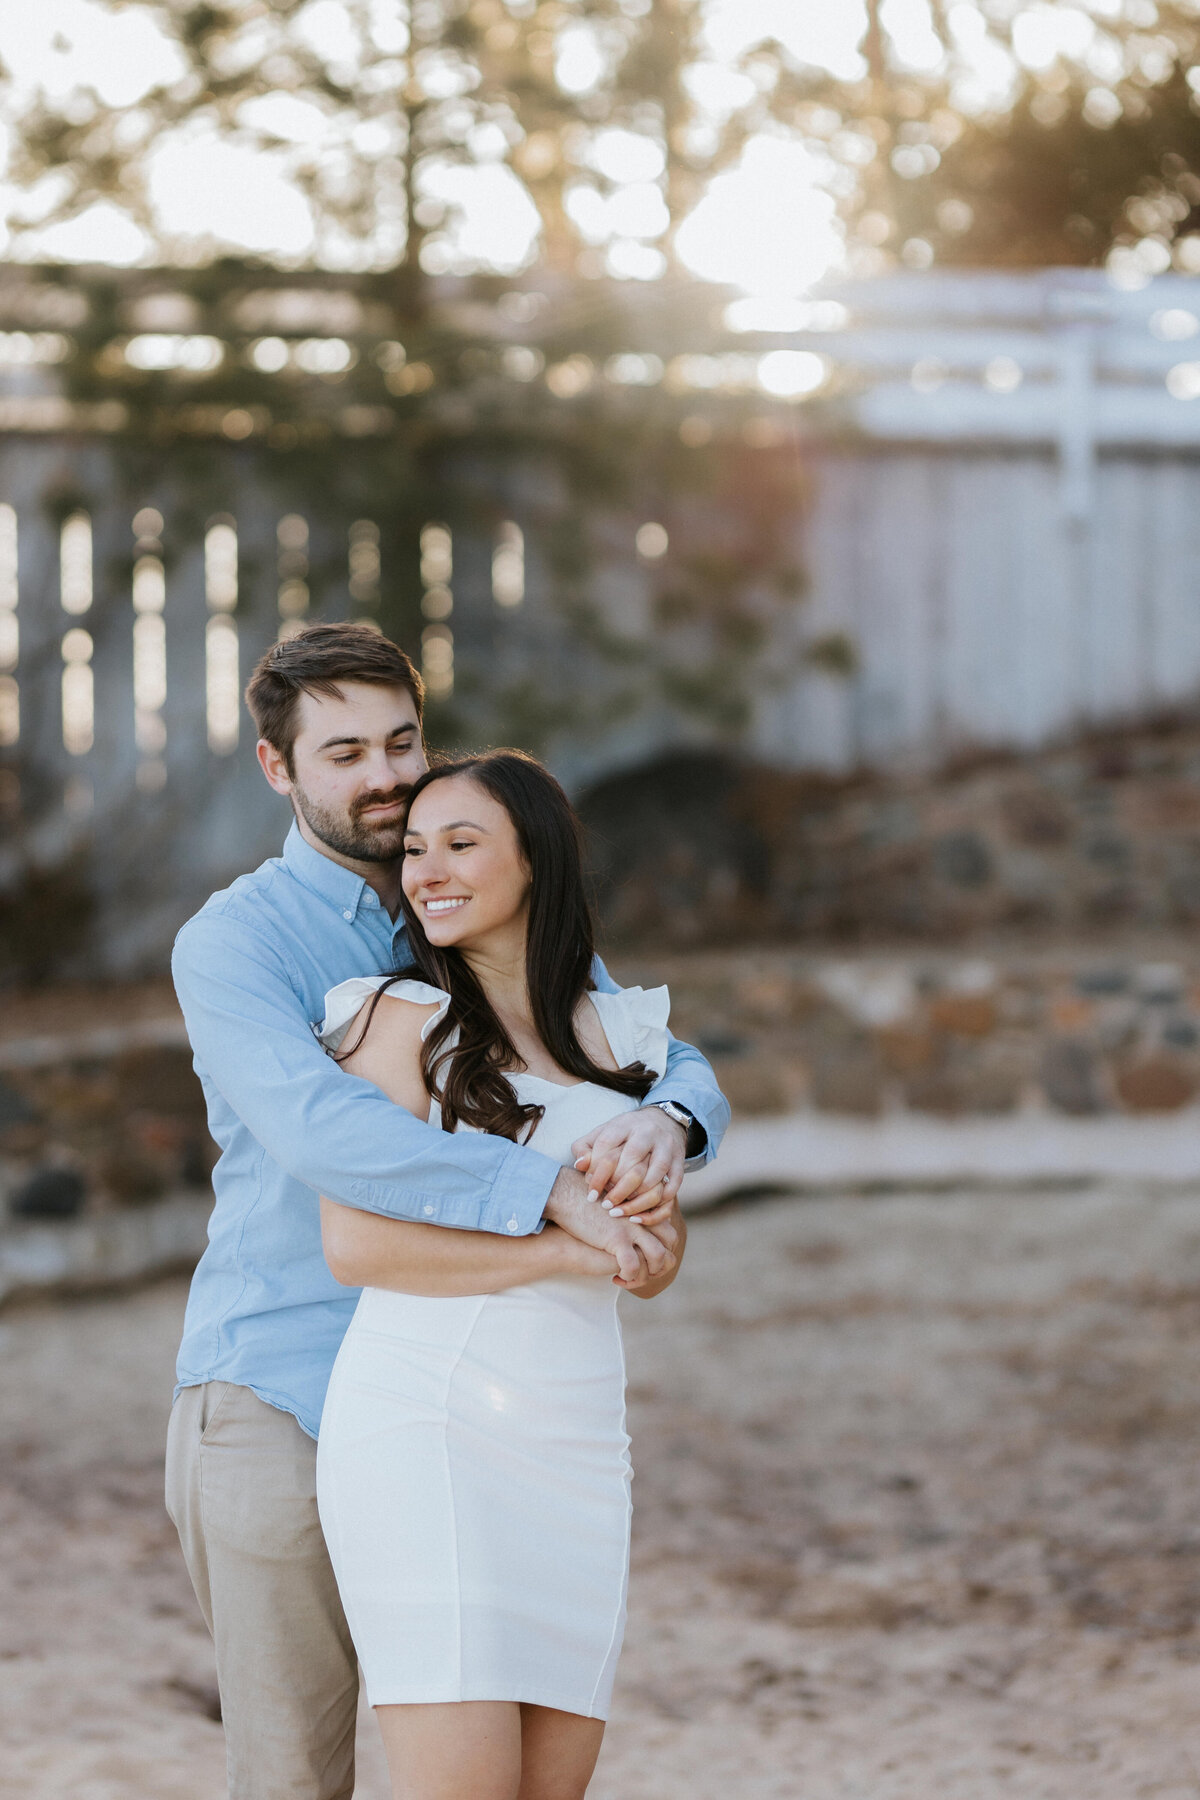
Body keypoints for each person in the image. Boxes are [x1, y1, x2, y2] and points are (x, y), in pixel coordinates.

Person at [164, 622, 729, 1800]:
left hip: (478, 1405)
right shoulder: (236, 942)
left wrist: (670, 1127)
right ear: (279, 769)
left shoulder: (469, 895)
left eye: (401, 742)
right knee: (294, 1779)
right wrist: (555, 1201)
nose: (382, 777)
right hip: (279, 1388)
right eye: (343, 753)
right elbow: (332, 1138)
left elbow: (642, 1050)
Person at [315, 748, 688, 1800]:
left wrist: (646, 1251)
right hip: (425, 1431)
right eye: (416, 851)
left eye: (462, 845)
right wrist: (568, 1248)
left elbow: (652, 1259)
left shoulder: (624, 1038)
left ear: (537, 860)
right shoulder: (395, 1023)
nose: (427, 871)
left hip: (576, 1443)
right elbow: (357, 1246)